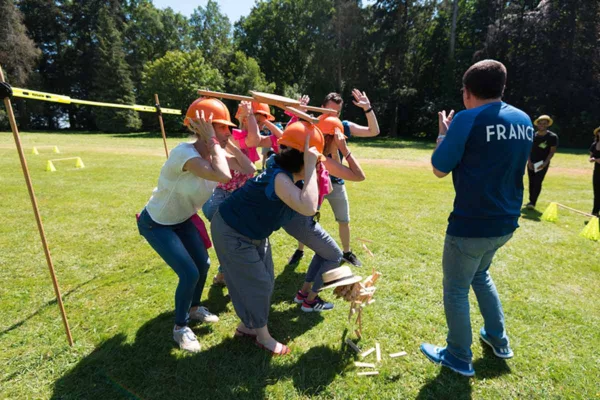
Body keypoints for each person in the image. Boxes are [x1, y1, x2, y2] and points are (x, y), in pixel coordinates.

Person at [420, 60, 533, 377]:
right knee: (481, 275)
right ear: (502, 88)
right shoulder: (523, 119)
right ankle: (498, 340)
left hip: (471, 223)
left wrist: (444, 134)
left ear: (466, 92)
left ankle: (457, 355)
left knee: (456, 288)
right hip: (506, 220)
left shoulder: (467, 119)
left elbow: (440, 168)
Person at [137, 97, 255, 353]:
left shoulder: (218, 151)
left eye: (228, 127)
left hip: (182, 219)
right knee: (189, 273)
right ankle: (180, 327)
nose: (229, 131)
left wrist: (227, 142)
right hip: (156, 223)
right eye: (222, 127)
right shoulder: (184, 153)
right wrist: (215, 141)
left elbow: (249, 168)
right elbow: (222, 175)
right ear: (203, 128)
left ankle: (193, 308)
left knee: (203, 265)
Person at [210, 121, 323, 355]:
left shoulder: (288, 174)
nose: (319, 162)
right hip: (232, 230)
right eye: (315, 158)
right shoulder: (281, 179)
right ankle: (263, 337)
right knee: (258, 284)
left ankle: (247, 326)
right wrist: (311, 166)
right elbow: (309, 206)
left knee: (265, 280)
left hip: (253, 232)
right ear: (301, 159)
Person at [288, 89, 380, 267]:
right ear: (321, 108)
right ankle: (300, 250)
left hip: (336, 181)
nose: (333, 115)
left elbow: (373, 131)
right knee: (306, 217)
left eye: (336, 112)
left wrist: (367, 108)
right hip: (314, 182)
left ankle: (347, 252)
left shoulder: (342, 125)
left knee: (344, 220)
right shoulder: (311, 124)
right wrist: (300, 113)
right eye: (329, 111)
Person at [284, 114, 366, 312]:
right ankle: (310, 301)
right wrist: (345, 151)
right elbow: (359, 175)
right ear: (329, 139)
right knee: (334, 255)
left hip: (298, 219)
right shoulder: (314, 159)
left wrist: (342, 149)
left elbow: (358, 176)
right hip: (300, 220)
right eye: (337, 141)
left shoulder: (317, 158)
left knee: (324, 251)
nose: (339, 145)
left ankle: (303, 293)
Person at [202, 101, 280, 286]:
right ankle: (233, 275)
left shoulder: (258, 136)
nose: (259, 124)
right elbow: (252, 139)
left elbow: (282, 137)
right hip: (221, 197)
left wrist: (264, 121)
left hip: (241, 197)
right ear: (241, 118)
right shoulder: (233, 136)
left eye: (262, 120)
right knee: (235, 237)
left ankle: (224, 273)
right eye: (257, 119)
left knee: (235, 238)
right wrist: (250, 116)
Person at [526, 115, 558, 209]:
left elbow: (552, 152)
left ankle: (533, 202)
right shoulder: (532, 135)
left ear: (548, 124)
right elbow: (528, 149)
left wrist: (545, 163)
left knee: (537, 182)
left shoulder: (552, 137)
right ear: (537, 124)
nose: (542, 125)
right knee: (531, 182)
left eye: (545, 123)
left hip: (542, 163)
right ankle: (531, 201)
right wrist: (529, 161)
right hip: (531, 162)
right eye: (540, 123)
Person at [589, 127, 600, 216]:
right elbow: (591, 157)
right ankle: (595, 212)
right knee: (596, 192)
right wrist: (593, 159)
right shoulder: (594, 144)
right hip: (597, 172)